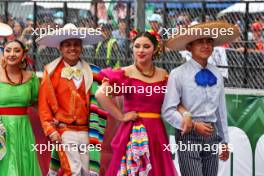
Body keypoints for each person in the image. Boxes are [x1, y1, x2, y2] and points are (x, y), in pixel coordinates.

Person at [162, 21, 240, 176]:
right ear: (189, 47)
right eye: (200, 42)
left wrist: (225, 142)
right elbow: (168, 110)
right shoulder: (178, 74)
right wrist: (193, 125)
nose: (206, 45)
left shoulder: (217, 73)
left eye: (209, 41)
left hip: (212, 134)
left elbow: (220, 111)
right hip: (188, 135)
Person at [95, 31, 178, 176]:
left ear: (155, 49)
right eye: (137, 46)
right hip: (133, 133)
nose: (141, 50)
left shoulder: (163, 74)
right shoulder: (125, 73)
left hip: (157, 133)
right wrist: (121, 116)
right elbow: (100, 94)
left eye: (146, 46)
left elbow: (174, 101)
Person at [37, 23, 104, 175]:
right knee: (73, 170)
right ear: (60, 48)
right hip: (64, 130)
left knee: (88, 172)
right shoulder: (51, 71)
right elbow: (44, 105)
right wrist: (50, 130)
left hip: (87, 131)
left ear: (81, 47)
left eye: (76, 44)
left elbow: (102, 98)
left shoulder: (93, 72)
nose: (72, 48)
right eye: (67, 45)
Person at [0, 39, 41, 175]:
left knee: (23, 163)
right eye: (8, 50)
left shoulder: (32, 78)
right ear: (3, 54)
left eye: (17, 51)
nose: (12, 54)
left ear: (24, 54)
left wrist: (50, 120)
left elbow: (37, 103)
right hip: (1, 128)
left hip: (23, 129)